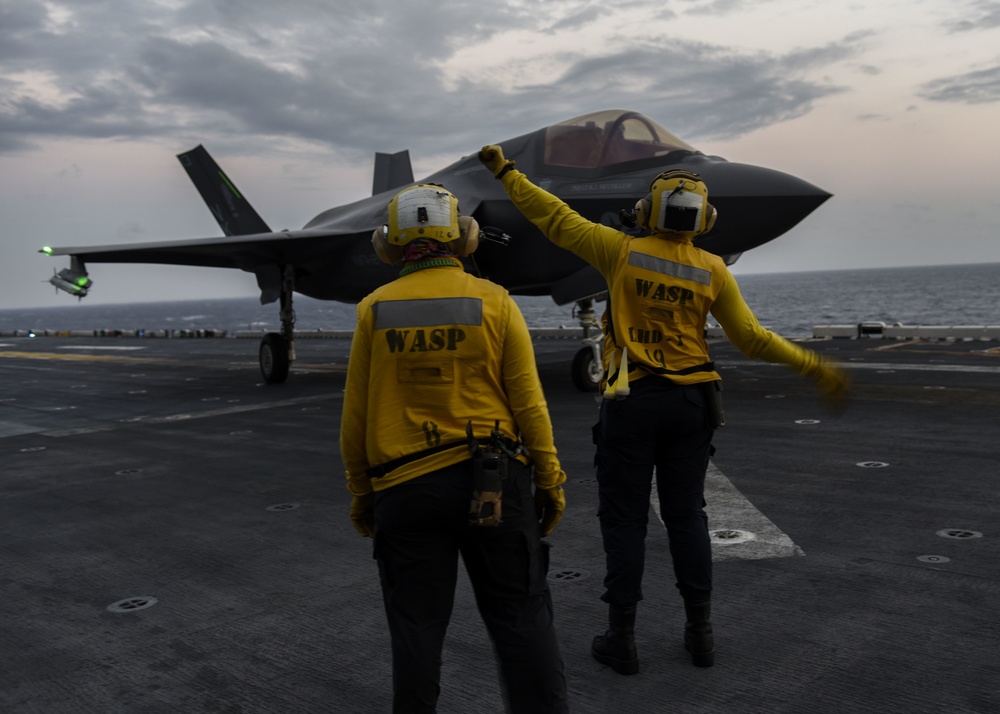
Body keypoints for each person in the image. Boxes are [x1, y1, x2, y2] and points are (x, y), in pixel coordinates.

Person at [478, 145, 850, 676]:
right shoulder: (713, 269)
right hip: (693, 403)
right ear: (705, 219)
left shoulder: (619, 250)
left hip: (633, 403)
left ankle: (622, 639)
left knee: (624, 520)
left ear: (646, 211)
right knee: (687, 516)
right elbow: (752, 339)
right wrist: (813, 364)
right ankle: (701, 634)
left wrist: (506, 172)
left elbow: (553, 216)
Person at [340, 183, 570, 713]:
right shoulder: (495, 301)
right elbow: (529, 403)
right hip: (495, 484)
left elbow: (355, 416)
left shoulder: (373, 310)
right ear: (464, 236)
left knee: (416, 629)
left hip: (404, 491)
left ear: (388, 243)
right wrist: (550, 480)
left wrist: (362, 492)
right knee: (521, 619)